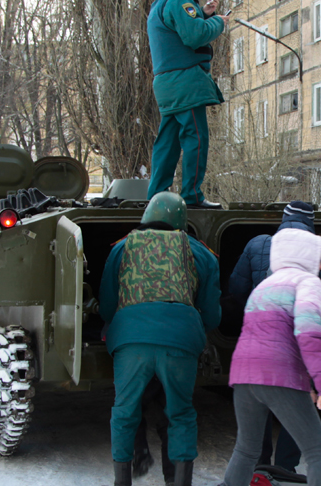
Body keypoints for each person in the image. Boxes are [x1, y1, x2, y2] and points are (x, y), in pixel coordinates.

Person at [99, 191, 221, 486]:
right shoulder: (200, 252)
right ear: (182, 221)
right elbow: (212, 316)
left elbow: (106, 305)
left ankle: (123, 481)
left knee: (124, 412)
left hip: (131, 341)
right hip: (181, 341)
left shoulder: (121, 249)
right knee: (180, 414)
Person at [219, 228, 321, 486]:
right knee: (317, 452)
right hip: (277, 375)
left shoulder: (264, 286)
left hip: (243, 377)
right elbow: (308, 335)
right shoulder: (308, 283)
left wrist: (305, 384)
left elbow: (272, 339)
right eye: (317, 256)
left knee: (246, 450)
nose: (320, 263)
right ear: (304, 258)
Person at [147, 0, 230, 208]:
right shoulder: (180, 1)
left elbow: (177, 30)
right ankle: (192, 196)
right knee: (196, 137)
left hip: (165, 83)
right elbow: (194, 36)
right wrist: (217, 22)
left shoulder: (161, 3)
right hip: (185, 82)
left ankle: (156, 196)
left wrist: (202, 14)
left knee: (168, 140)